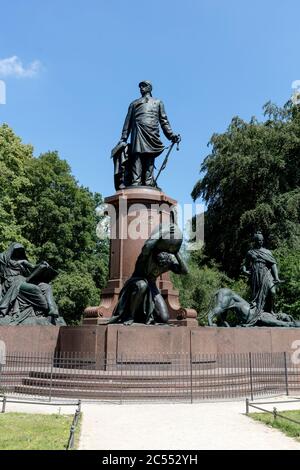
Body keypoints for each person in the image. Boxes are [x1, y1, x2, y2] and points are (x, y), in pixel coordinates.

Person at [108, 224, 188, 325]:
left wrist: (176, 252)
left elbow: (185, 271)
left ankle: (145, 316)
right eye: (160, 260)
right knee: (142, 285)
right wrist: (162, 233)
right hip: (136, 282)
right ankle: (130, 316)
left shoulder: (167, 263)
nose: (161, 264)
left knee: (164, 318)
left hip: (152, 287)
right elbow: (147, 245)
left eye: (164, 263)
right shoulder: (146, 256)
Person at [119, 80, 180, 186]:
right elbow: (127, 123)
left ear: (150, 88)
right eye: (140, 86)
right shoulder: (134, 104)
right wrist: (123, 138)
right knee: (137, 156)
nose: (141, 88)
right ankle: (136, 181)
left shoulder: (158, 102)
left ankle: (148, 181)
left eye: (144, 86)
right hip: (138, 131)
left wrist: (171, 135)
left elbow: (164, 121)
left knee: (149, 157)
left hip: (152, 132)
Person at [0, 242, 65, 325]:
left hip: (24, 280)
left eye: (20, 251)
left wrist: (41, 265)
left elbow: (33, 269)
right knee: (34, 289)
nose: (18, 252)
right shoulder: (3, 258)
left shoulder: (23, 261)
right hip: (13, 283)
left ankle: (52, 309)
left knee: (46, 286)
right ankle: (45, 307)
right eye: (16, 250)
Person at [242, 231, 282, 315]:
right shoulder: (250, 252)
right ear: (255, 241)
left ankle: (271, 310)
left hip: (266, 274)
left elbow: (273, 264)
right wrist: (244, 271)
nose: (261, 242)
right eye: (259, 240)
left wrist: (276, 277)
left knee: (272, 292)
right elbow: (245, 265)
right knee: (256, 294)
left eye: (262, 240)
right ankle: (258, 309)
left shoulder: (267, 252)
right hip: (255, 275)